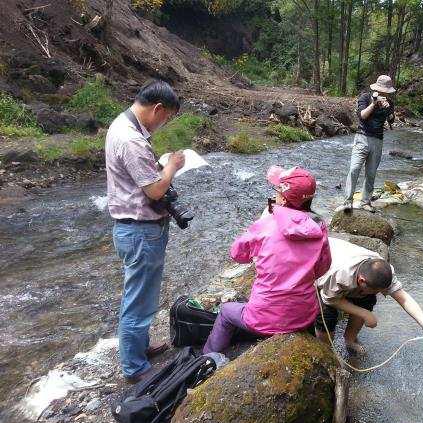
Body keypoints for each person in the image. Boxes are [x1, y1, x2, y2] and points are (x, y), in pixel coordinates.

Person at [203, 166, 332, 355]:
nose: (276, 194)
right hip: (304, 315)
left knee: (226, 311)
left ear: (284, 197)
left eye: (278, 190)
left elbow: (237, 254)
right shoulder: (319, 228)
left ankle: (207, 359)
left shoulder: (266, 223)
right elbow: (323, 267)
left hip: (263, 318)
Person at [106, 80, 185, 383]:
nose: (164, 124)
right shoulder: (131, 140)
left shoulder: (123, 126)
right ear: (157, 109)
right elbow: (154, 190)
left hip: (134, 228)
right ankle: (135, 368)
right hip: (140, 230)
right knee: (138, 301)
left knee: (141, 296)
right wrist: (172, 166)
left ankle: (138, 349)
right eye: (166, 118)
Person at [315, 237, 423, 354]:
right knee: (327, 315)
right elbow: (330, 299)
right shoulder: (340, 275)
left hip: (349, 266)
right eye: (376, 290)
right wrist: (365, 314)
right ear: (361, 281)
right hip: (319, 264)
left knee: (367, 300)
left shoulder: (383, 271)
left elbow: (404, 299)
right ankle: (327, 350)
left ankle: (349, 340)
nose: (379, 294)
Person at [337, 75, 396, 213]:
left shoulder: (390, 103)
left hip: (378, 140)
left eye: (386, 92)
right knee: (354, 169)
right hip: (362, 138)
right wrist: (374, 104)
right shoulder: (365, 97)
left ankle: (365, 201)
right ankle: (347, 201)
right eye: (382, 91)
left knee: (371, 173)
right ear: (376, 89)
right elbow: (362, 115)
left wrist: (389, 111)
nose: (384, 94)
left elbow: (391, 121)